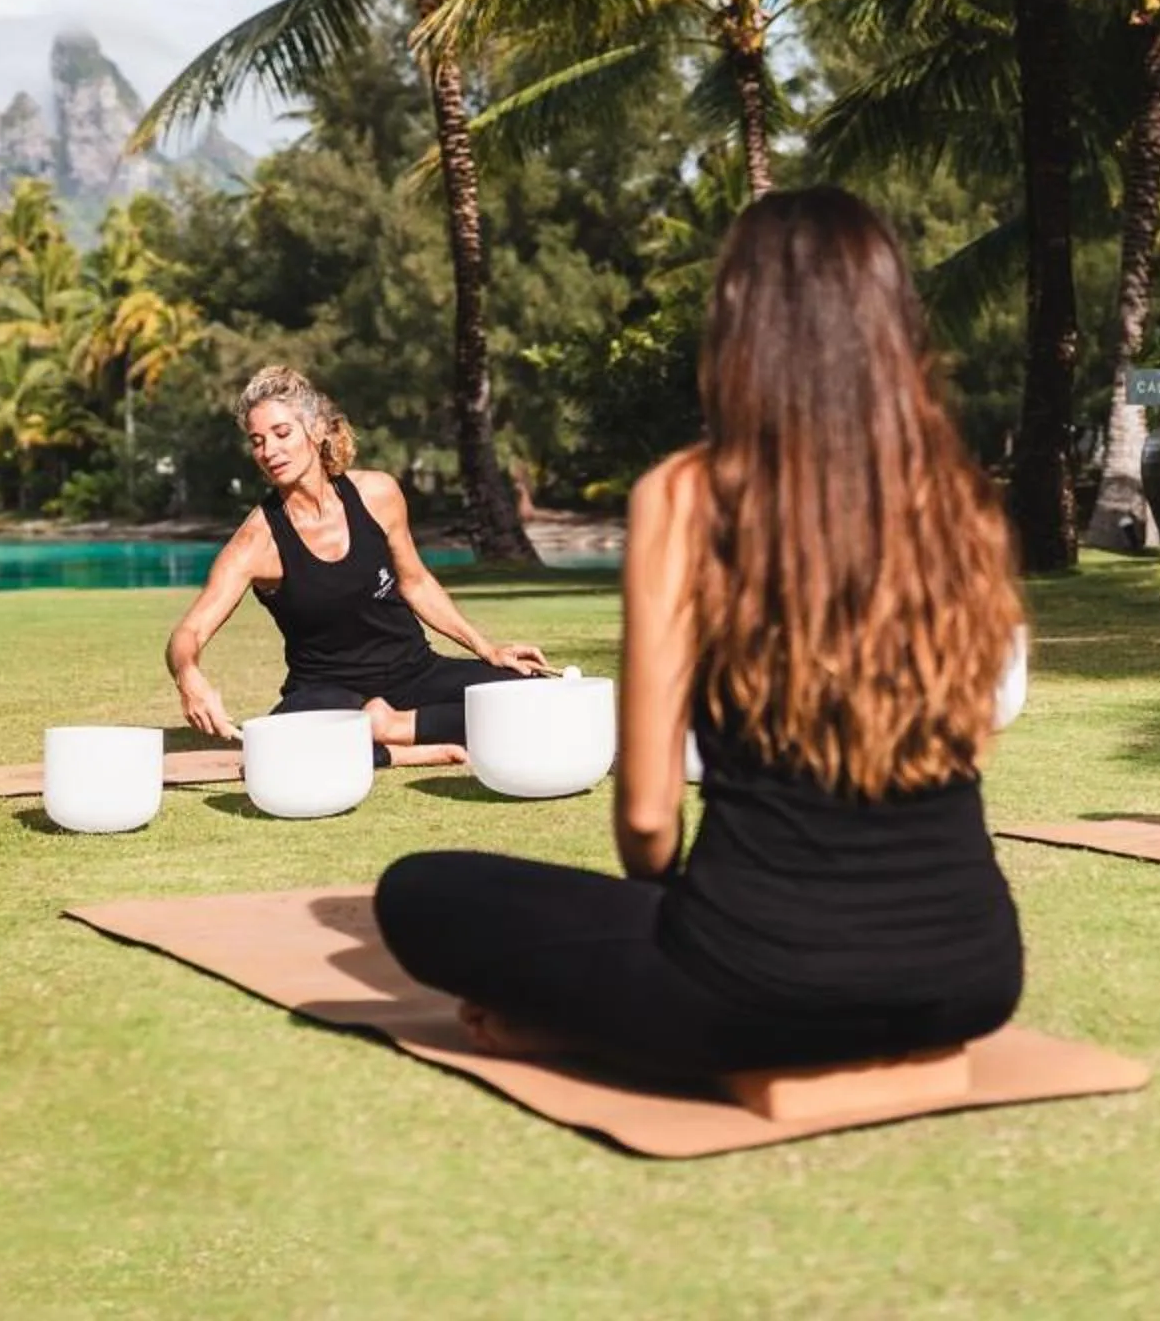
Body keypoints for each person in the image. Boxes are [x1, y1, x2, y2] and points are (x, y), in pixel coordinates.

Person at [374, 187, 1027, 1080]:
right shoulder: (961, 502)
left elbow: (647, 820)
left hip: (758, 976)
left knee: (419, 892)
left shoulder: (685, 498)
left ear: (740, 329)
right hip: (974, 973)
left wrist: (649, 948)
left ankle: (627, 1024)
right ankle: (677, 1011)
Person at [164, 367, 547, 764]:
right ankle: (399, 751)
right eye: (257, 441)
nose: (269, 451)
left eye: (282, 433)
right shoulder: (256, 542)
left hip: (416, 671)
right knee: (276, 746)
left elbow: (415, 582)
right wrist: (188, 674)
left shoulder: (378, 493)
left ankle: (391, 729)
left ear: (314, 430)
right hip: (328, 692)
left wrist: (487, 649)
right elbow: (188, 631)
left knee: (537, 695)